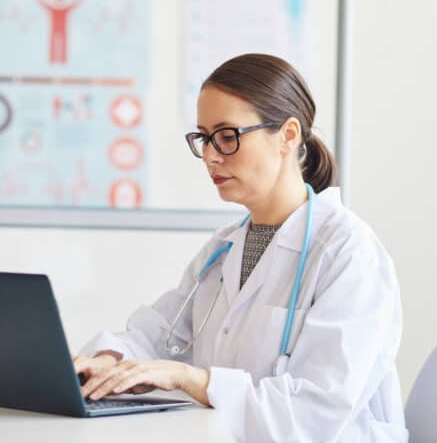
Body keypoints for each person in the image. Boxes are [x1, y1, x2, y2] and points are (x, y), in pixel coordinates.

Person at [73, 54, 408, 442]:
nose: (211, 155)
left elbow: (315, 411)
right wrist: (106, 362)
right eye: (204, 137)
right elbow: (156, 335)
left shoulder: (349, 253)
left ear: (288, 135)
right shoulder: (223, 249)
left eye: (227, 136)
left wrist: (189, 377)